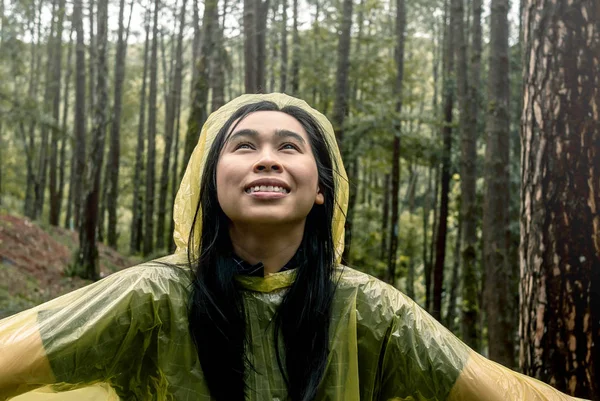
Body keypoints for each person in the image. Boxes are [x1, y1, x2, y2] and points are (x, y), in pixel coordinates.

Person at [0, 93, 588, 401]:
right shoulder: (149, 299)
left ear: (321, 192)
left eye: (289, 145)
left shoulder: (371, 313)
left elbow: (499, 393)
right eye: (243, 145)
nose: (266, 157)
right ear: (213, 181)